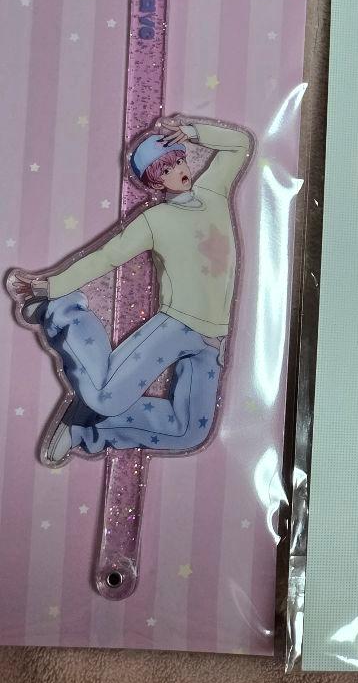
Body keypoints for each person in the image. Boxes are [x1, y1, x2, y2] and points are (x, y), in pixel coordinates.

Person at [6, 116, 252, 466]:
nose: (179, 170)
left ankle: (86, 427)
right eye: (166, 169)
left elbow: (240, 145)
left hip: (215, 339)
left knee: (188, 432)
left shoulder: (213, 192)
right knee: (105, 396)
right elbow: (106, 257)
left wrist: (193, 132)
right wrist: (53, 285)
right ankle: (59, 311)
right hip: (177, 325)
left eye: (179, 161)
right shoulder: (155, 220)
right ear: (155, 180)